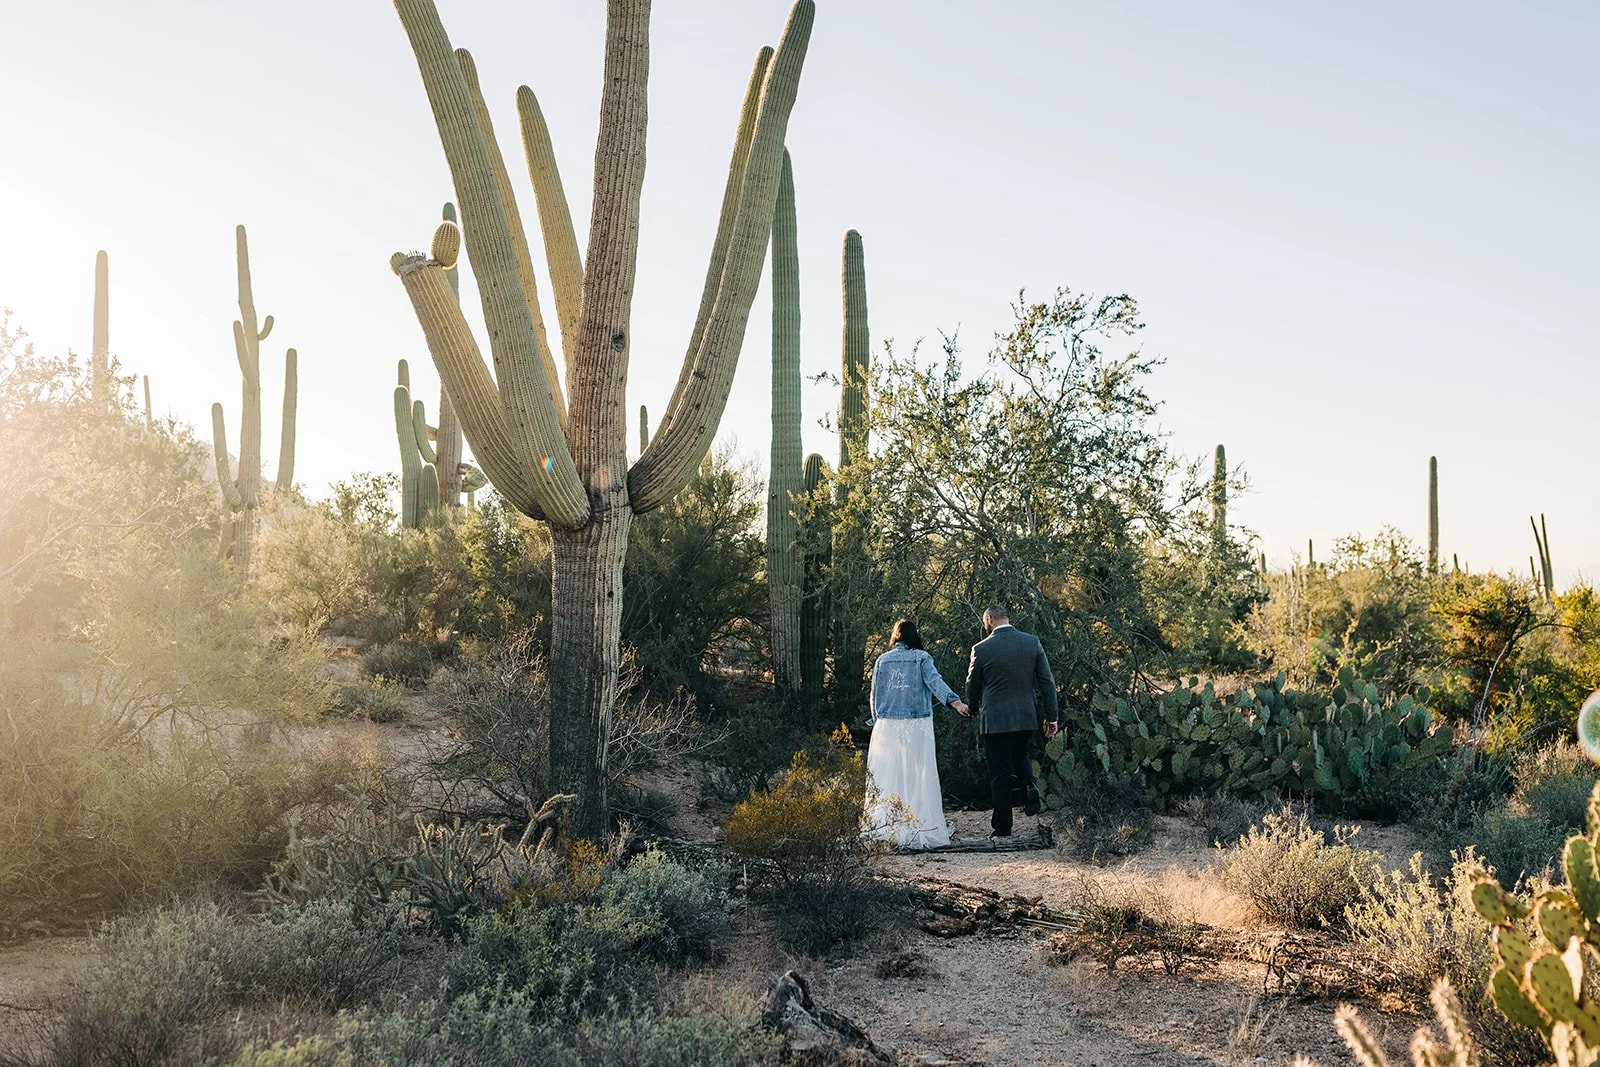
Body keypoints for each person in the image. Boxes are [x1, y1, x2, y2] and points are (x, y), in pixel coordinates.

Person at [863, 620, 969, 849]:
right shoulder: (922, 658)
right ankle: (918, 825)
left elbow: (874, 695)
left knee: (888, 776)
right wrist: (955, 701)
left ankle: (886, 827)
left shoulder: (882, 660)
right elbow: (934, 682)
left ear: (895, 637)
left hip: (887, 724)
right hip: (916, 722)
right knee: (919, 774)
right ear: (914, 636)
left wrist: (876, 719)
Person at [963, 604, 1060, 838]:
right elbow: (1047, 682)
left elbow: (971, 685)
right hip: (1025, 716)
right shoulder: (1032, 642)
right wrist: (1052, 717)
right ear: (1007, 618)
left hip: (994, 720)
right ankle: (1029, 784)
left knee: (1000, 773)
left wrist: (973, 707)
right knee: (1021, 755)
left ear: (989, 620)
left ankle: (1003, 827)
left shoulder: (981, 649)